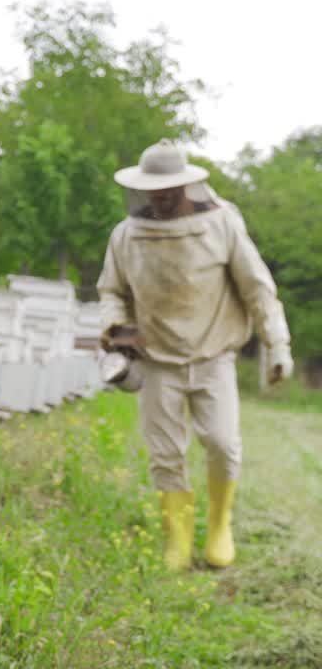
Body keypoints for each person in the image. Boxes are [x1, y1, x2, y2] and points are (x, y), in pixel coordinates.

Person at [97, 140, 293, 570]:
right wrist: (115, 327)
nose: (160, 199)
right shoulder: (126, 234)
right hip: (156, 359)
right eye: (153, 192)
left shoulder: (223, 224)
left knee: (223, 443)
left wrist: (277, 344)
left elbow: (257, 287)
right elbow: (111, 290)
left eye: (168, 191)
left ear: (187, 187)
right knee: (166, 453)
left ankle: (220, 527)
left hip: (214, 353)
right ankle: (178, 542)